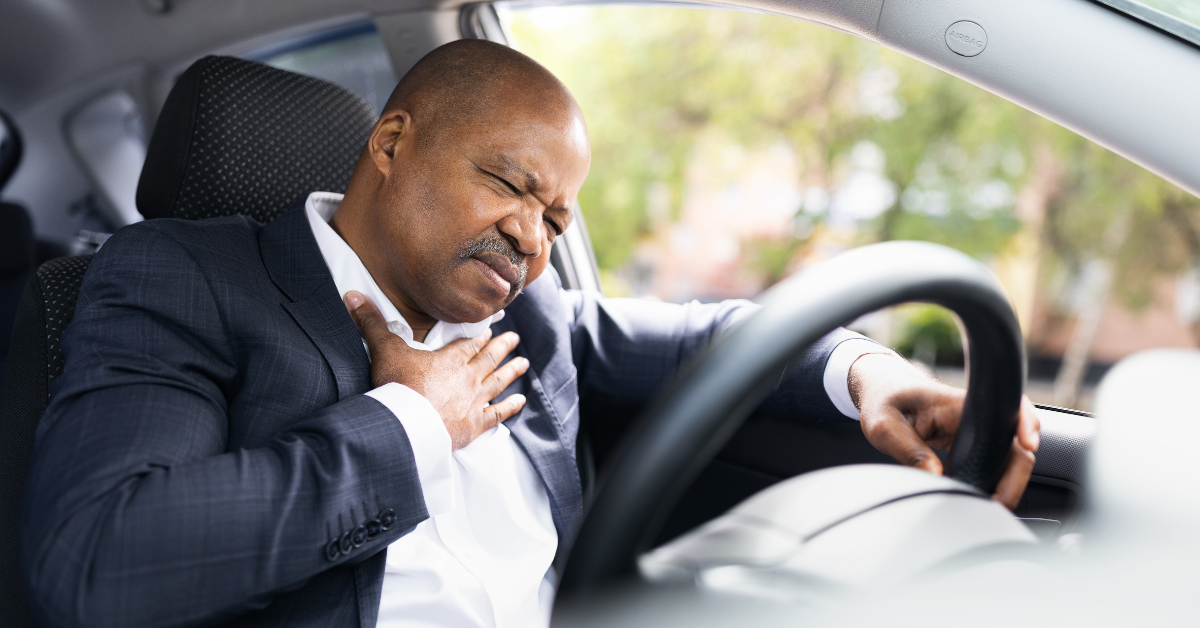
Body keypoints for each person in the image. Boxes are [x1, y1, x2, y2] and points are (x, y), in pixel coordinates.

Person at [19, 39, 1039, 628]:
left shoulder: (531, 314)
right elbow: (96, 557)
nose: (531, 236)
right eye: (510, 182)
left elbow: (704, 337)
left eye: (556, 218)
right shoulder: (187, 278)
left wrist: (864, 370)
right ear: (391, 142)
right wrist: (412, 423)